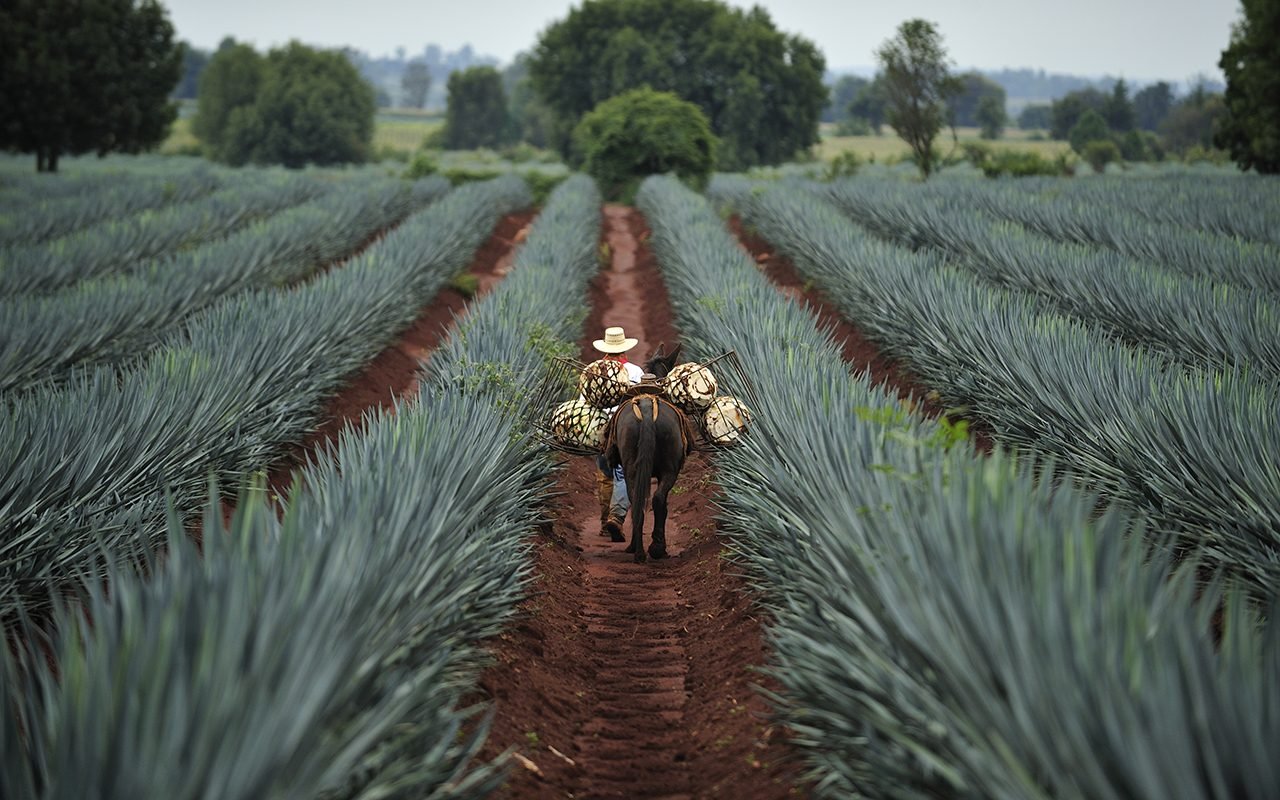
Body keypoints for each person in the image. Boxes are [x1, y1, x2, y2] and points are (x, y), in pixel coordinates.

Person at [591, 326, 644, 539]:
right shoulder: (636, 371)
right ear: (624, 350)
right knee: (624, 474)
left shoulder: (594, 371)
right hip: (630, 427)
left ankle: (606, 523)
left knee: (605, 475)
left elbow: (585, 402)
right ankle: (617, 516)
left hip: (603, 427)